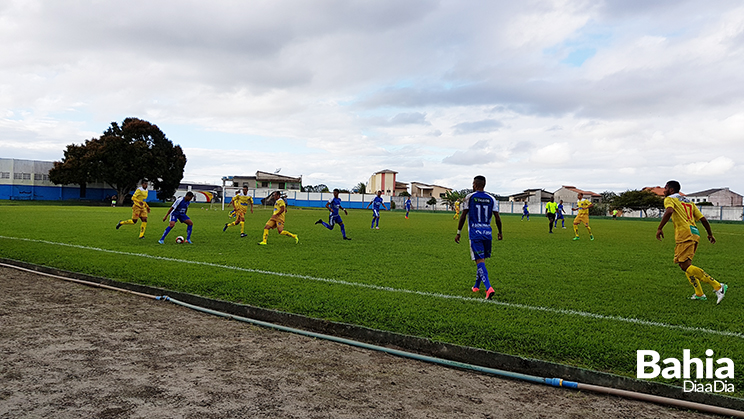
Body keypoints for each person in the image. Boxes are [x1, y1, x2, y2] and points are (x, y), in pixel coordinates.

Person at [656, 180, 727, 303]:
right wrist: (709, 234)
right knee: (684, 265)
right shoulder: (689, 201)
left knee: (685, 265)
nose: (664, 190)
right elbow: (703, 219)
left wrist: (659, 228)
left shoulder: (670, 199)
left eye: (665, 187)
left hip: (685, 234)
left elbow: (669, 211)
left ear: (671, 190)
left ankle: (718, 286)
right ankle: (699, 294)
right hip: (694, 232)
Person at [455, 175, 503, 300]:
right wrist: (500, 232)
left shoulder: (470, 197)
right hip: (487, 233)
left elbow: (463, 215)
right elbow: (497, 218)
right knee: (481, 260)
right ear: (484, 184)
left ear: (475, 185)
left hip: (475, 233)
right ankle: (476, 286)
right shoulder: (492, 199)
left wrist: (458, 232)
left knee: (479, 261)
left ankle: (488, 288)